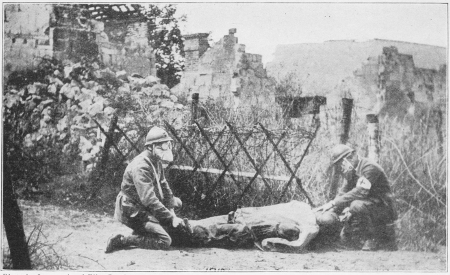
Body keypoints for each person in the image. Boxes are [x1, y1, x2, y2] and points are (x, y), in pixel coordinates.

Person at [105, 126, 185, 253]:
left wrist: (172, 212)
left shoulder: (156, 161)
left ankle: (146, 229)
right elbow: (149, 200)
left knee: (177, 202)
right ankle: (123, 240)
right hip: (133, 210)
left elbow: (165, 187)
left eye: (167, 145)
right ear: (151, 147)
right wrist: (171, 218)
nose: (167, 148)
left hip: (143, 205)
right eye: (162, 146)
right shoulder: (141, 166)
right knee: (165, 241)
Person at [315, 144, 397, 251]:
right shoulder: (352, 172)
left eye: (342, 163)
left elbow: (360, 192)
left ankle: (372, 239)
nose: (341, 167)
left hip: (384, 209)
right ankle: (351, 238)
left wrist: (334, 203)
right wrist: (329, 208)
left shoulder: (369, 167)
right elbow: (343, 194)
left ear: (352, 156)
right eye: (339, 165)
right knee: (345, 209)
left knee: (356, 205)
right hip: (369, 207)